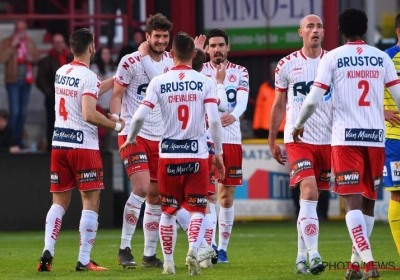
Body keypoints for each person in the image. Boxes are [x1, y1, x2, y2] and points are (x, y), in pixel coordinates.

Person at [292, 8, 400, 280]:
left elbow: (313, 99)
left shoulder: (333, 57)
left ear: (340, 31)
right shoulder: (380, 57)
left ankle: (369, 260)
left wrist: (298, 124)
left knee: (351, 204)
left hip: (346, 140)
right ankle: (354, 265)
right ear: (364, 29)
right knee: (368, 204)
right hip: (376, 139)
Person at [119, 31, 225, 275]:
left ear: (172, 54)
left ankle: (167, 263)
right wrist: (217, 152)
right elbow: (215, 121)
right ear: (194, 54)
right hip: (196, 156)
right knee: (198, 209)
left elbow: (140, 115)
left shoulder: (160, 82)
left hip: (167, 157)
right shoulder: (205, 81)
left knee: (167, 210)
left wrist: (131, 138)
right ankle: (193, 250)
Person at [36, 28, 125, 272]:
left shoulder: (61, 72)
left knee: (59, 201)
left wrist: (117, 80)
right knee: (90, 200)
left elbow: (89, 89)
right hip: (83, 147)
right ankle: (84, 259)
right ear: (91, 48)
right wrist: (116, 125)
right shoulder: (89, 76)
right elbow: (88, 113)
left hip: (60, 145)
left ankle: (48, 250)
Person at [110, 13, 174, 269]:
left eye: (165, 36)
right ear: (147, 36)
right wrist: (116, 118)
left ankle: (149, 254)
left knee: (156, 196)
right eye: (156, 36)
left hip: (160, 136)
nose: (161, 40)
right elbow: (117, 94)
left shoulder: (170, 61)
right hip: (133, 134)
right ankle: (124, 247)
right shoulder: (129, 61)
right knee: (142, 188)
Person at [269, 14, 331, 275]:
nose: (315, 30)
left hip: (328, 139)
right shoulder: (286, 65)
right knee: (308, 192)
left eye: (318, 27)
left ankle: (300, 257)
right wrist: (272, 138)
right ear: (300, 32)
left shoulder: (333, 61)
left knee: (312, 202)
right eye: (310, 27)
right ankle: (315, 255)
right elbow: (279, 104)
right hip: (298, 139)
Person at [200, 28, 249, 264]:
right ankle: (209, 244)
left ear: (228, 47)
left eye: (221, 45)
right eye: (213, 45)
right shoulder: (199, 71)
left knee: (226, 197)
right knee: (209, 195)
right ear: (207, 48)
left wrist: (235, 115)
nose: (217, 49)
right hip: (206, 140)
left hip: (231, 140)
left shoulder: (240, 71)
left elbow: (242, 102)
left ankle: (223, 248)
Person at [0, 20, 40, 148]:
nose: (21, 32)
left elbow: (37, 59)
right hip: (13, 81)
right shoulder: (7, 42)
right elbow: (2, 58)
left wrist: (31, 59)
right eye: (18, 29)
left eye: (23, 29)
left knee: (23, 113)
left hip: (26, 82)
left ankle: (18, 141)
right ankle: (11, 142)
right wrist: (12, 46)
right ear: (15, 30)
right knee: (15, 112)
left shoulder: (29, 42)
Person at [383, 12, 400, 265]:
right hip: (395, 139)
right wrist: (382, 110)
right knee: (398, 194)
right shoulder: (386, 58)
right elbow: (364, 88)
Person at [36, 33, 73, 152]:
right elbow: (40, 80)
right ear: (53, 44)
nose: (59, 44)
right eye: (56, 42)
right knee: (53, 123)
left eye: (60, 42)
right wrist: (51, 94)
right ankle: (51, 150)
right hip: (53, 98)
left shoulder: (71, 58)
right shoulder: (47, 61)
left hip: (70, 98)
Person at [253, 61, 285, 139]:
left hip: (283, 127)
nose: (274, 75)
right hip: (266, 127)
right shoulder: (264, 88)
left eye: (276, 72)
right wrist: (256, 126)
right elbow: (259, 108)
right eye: (273, 72)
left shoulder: (287, 88)